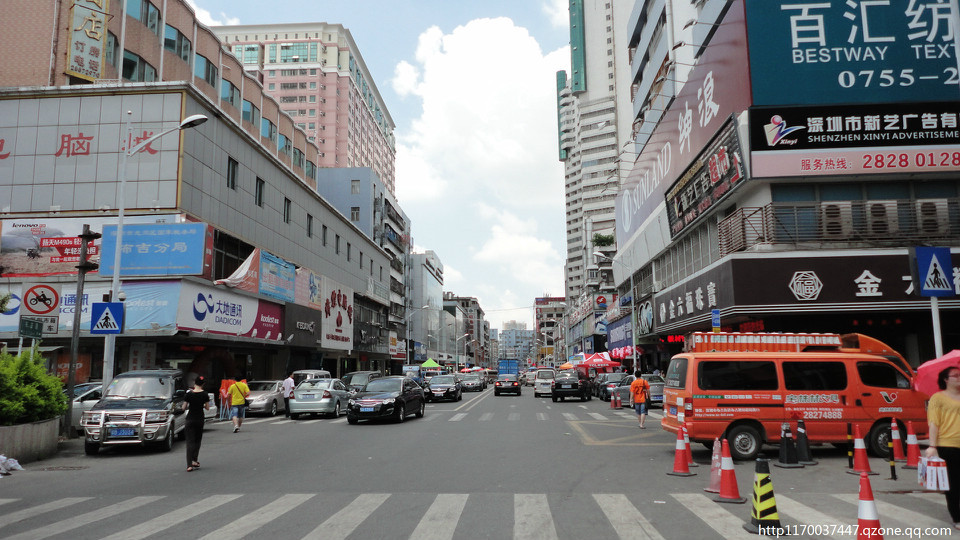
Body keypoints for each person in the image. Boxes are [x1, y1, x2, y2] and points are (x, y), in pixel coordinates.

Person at [924, 366, 960, 529]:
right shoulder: (937, 398)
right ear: (946, 379)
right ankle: (957, 518)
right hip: (948, 445)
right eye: (955, 375)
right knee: (953, 483)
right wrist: (932, 445)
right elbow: (934, 423)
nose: (959, 377)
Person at [182, 377, 210, 472]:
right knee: (197, 441)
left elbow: (183, 407)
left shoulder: (189, 394)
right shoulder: (205, 394)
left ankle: (189, 465)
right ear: (203, 384)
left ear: (195, 383)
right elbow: (207, 408)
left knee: (190, 442)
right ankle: (195, 460)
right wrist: (200, 404)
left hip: (190, 419)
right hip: (199, 420)